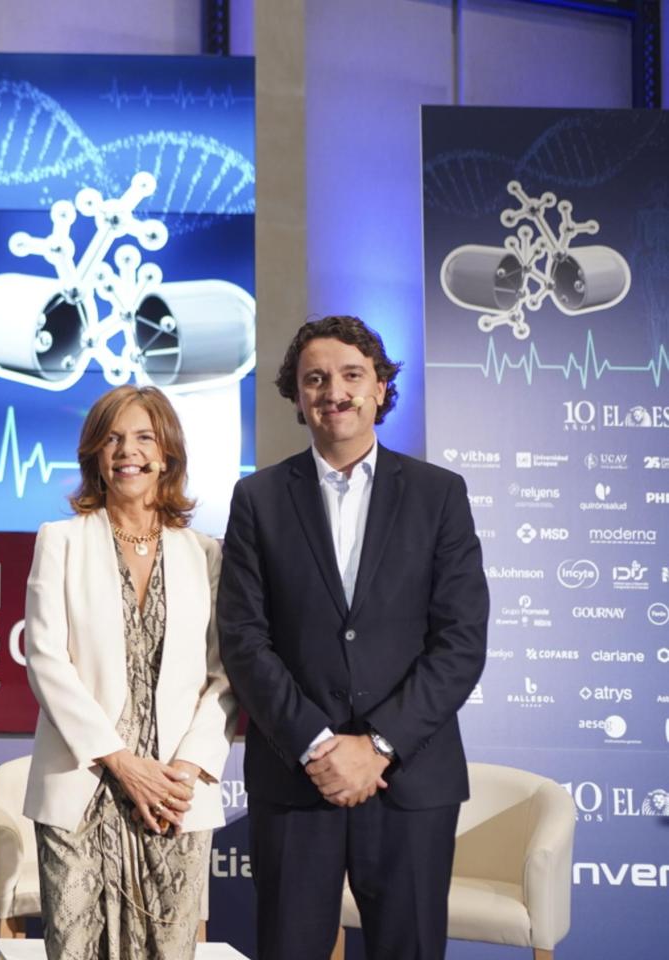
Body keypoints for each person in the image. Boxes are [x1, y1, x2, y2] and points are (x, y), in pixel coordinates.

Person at [218, 316, 487, 960]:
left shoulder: (438, 494)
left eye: (350, 375)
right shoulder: (258, 498)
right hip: (294, 778)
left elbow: (460, 640)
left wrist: (378, 745)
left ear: (380, 388)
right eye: (314, 378)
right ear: (297, 395)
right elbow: (244, 639)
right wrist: (317, 745)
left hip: (410, 779)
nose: (332, 390)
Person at [21, 385, 235, 959]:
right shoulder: (60, 541)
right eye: (112, 438)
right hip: (82, 785)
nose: (127, 451)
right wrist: (118, 760)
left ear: (166, 454)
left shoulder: (207, 554)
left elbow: (225, 676)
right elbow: (45, 659)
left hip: (173, 795)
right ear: (94, 454)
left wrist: (184, 769)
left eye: (143, 437)